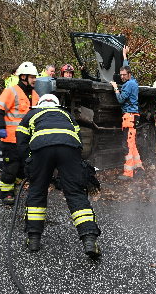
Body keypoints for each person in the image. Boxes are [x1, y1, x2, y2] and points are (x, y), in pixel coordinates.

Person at [16, 93, 101, 257]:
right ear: (56, 104)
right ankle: (89, 239)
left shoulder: (32, 113)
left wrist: (29, 161)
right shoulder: (66, 115)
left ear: (40, 104)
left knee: (37, 190)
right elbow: (79, 141)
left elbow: (21, 139)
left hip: (40, 149)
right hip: (69, 148)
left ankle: (33, 239)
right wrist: (74, 165)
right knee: (75, 193)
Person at [0, 61, 39, 205]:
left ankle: (15, 186)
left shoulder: (36, 94)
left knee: (24, 168)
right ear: (23, 77)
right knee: (10, 168)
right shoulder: (11, 91)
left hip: (28, 140)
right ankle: (6, 193)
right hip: (11, 139)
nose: (35, 80)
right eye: (32, 77)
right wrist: (0, 128)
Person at [109, 45, 143, 179]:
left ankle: (128, 173)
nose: (122, 77)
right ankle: (139, 168)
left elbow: (121, 100)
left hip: (129, 117)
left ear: (128, 75)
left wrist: (116, 88)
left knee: (127, 146)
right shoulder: (133, 80)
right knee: (132, 144)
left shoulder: (128, 85)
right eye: (121, 74)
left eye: (124, 75)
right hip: (132, 117)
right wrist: (124, 56)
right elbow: (126, 67)